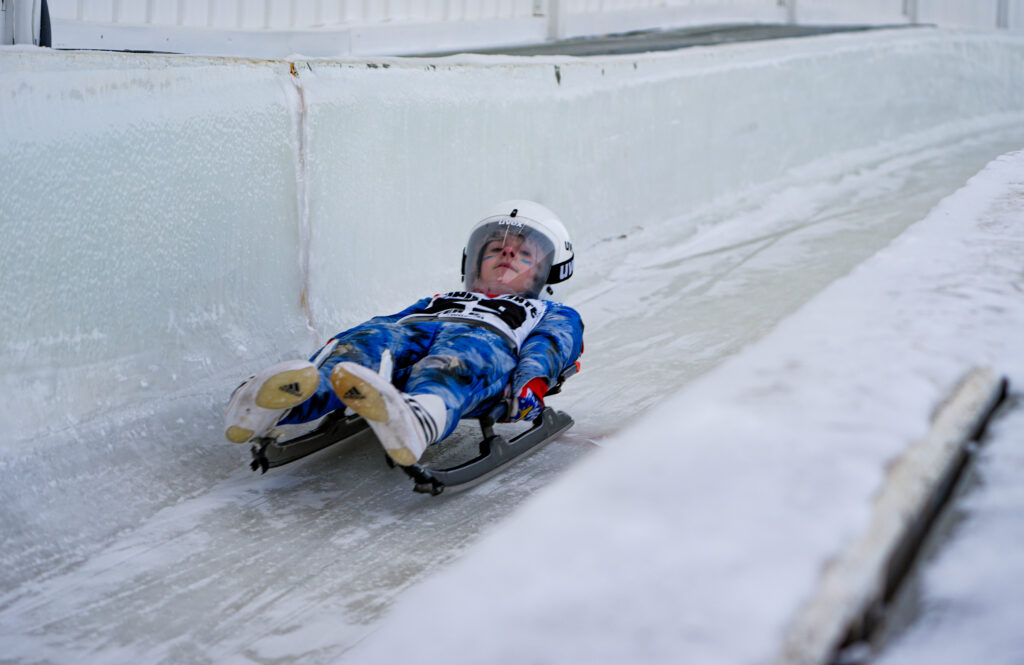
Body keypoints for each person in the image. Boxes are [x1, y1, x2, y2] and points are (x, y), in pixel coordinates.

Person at [224, 200, 584, 467]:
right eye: (495, 249)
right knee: (373, 341)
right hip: (416, 332)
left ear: (548, 274)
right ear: (472, 260)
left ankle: (418, 417)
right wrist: (341, 345)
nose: (506, 252)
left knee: (457, 358)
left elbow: (552, 346)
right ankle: (273, 404)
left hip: (488, 343)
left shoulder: (549, 312)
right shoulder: (439, 299)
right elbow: (386, 322)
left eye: (523, 254)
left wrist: (531, 383)